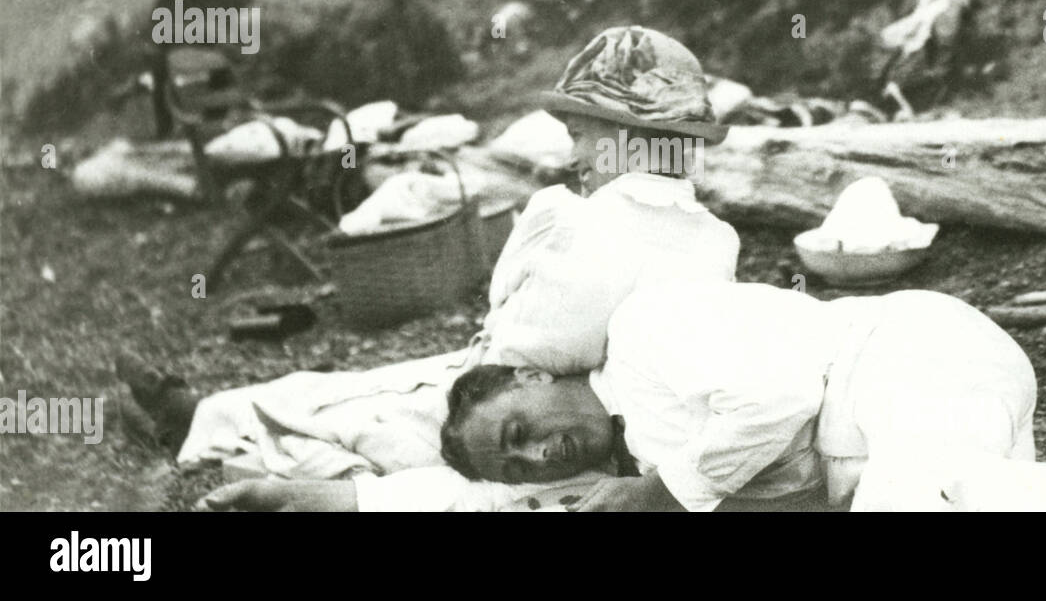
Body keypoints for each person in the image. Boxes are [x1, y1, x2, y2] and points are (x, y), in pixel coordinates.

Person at [125, 26, 741, 512]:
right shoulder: (714, 236)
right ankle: (207, 415)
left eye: (582, 134)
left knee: (361, 411)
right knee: (363, 394)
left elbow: (528, 346)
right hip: (570, 409)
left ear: (631, 136)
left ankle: (206, 423)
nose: (575, 154)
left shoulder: (599, 227)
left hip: (540, 409)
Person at [434, 281, 1046, 512]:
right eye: (520, 466)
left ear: (530, 376)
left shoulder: (641, 333)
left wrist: (662, 491)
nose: (537, 452)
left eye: (517, 432)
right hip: (887, 437)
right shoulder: (638, 461)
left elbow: (776, 396)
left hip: (900, 354)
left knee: (930, 493)